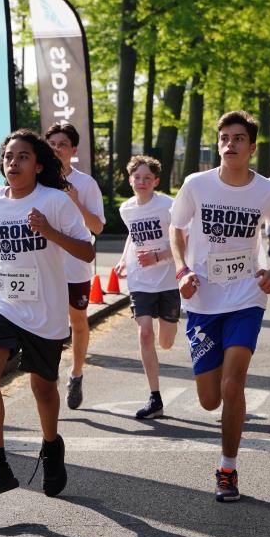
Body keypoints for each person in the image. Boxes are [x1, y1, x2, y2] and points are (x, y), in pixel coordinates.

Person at [170, 110, 270, 502]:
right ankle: (228, 415)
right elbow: (176, 229)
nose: (230, 144)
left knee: (233, 382)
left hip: (246, 296)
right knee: (210, 399)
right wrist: (182, 270)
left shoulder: (268, 192)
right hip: (203, 299)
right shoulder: (196, 185)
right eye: (224, 137)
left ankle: (227, 469)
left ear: (252, 147)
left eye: (238, 138)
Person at [0, 130, 95, 500]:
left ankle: (51, 446)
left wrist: (48, 230)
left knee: (43, 388)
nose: (14, 163)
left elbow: (86, 251)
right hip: (3, 301)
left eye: (23, 157)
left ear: (37, 165)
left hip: (44, 308)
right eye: (9, 156)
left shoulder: (54, 201)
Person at [45, 123, 106, 410]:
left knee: (77, 322)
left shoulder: (86, 184)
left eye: (62, 145)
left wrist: (76, 202)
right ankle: (48, 374)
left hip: (76, 266)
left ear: (73, 150)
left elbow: (98, 227)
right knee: (47, 322)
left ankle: (76, 374)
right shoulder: (38, 180)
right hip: (44, 264)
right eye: (52, 144)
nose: (57, 149)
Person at [115, 155, 179, 419]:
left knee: (166, 342)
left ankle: (168, 331)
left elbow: (183, 239)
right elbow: (133, 235)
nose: (142, 182)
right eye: (137, 177)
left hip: (168, 280)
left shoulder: (168, 206)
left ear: (156, 181)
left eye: (147, 178)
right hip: (139, 279)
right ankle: (155, 398)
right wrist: (123, 260)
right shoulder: (126, 209)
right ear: (130, 180)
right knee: (144, 334)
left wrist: (158, 256)